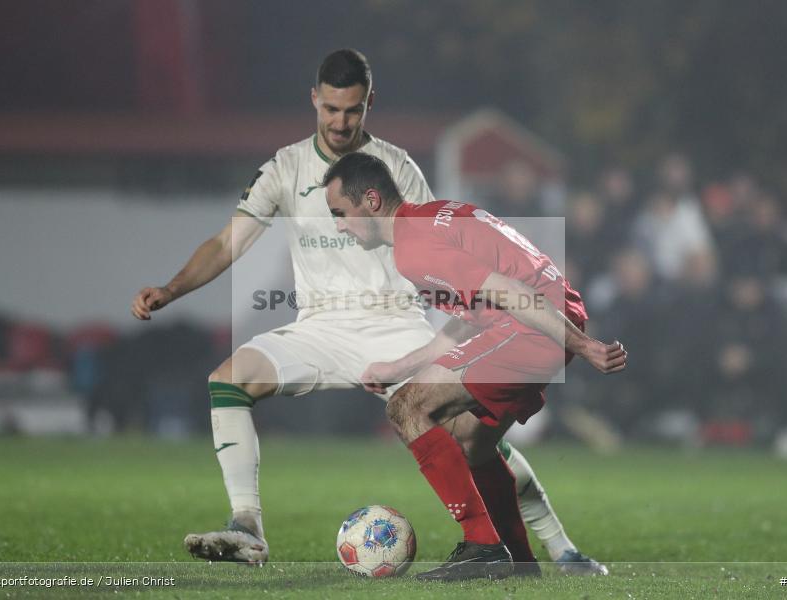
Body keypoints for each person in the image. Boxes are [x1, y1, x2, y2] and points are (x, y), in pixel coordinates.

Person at [130, 49, 606, 574]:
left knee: (468, 433)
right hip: (319, 327)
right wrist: (173, 288)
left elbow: (433, 242)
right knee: (228, 380)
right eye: (331, 109)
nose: (340, 122)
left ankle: (557, 548)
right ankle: (246, 525)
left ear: (368, 104)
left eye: (352, 111)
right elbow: (227, 243)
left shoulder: (395, 166)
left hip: (395, 323)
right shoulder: (286, 167)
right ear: (314, 100)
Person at [323, 152, 626, 581]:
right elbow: (473, 314)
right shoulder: (432, 217)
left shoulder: (414, 247)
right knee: (470, 440)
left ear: (371, 200)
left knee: (407, 409)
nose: (339, 225)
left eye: (340, 213)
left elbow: (507, 290)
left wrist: (583, 345)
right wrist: (400, 366)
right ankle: (519, 562)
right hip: (545, 316)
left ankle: (482, 546)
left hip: (533, 323)